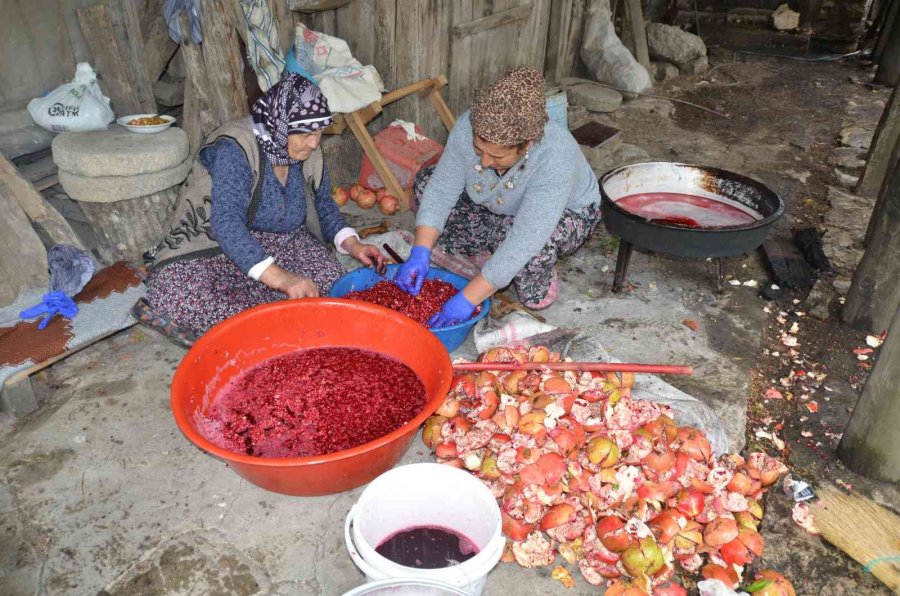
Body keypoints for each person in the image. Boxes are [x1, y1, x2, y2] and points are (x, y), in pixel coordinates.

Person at [141, 73, 383, 339]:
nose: (314, 143)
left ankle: (268, 301)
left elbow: (324, 205)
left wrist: (352, 244)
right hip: (213, 247)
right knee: (180, 296)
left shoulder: (309, 152)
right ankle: (265, 306)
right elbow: (227, 225)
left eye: (319, 132)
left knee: (333, 282)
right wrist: (282, 278)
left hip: (280, 242)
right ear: (280, 124)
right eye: (305, 133)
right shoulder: (237, 148)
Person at [394, 66, 600, 328]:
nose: (485, 161)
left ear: (526, 144)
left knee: (529, 258)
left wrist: (467, 299)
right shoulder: (468, 126)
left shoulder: (554, 154)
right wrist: (420, 252)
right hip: (496, 204)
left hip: (564, 214)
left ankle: (504, 260)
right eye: (479, 150)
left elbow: (525, 238)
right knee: (425, 186)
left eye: (498, 157)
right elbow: (442, 190)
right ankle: (493, 254)